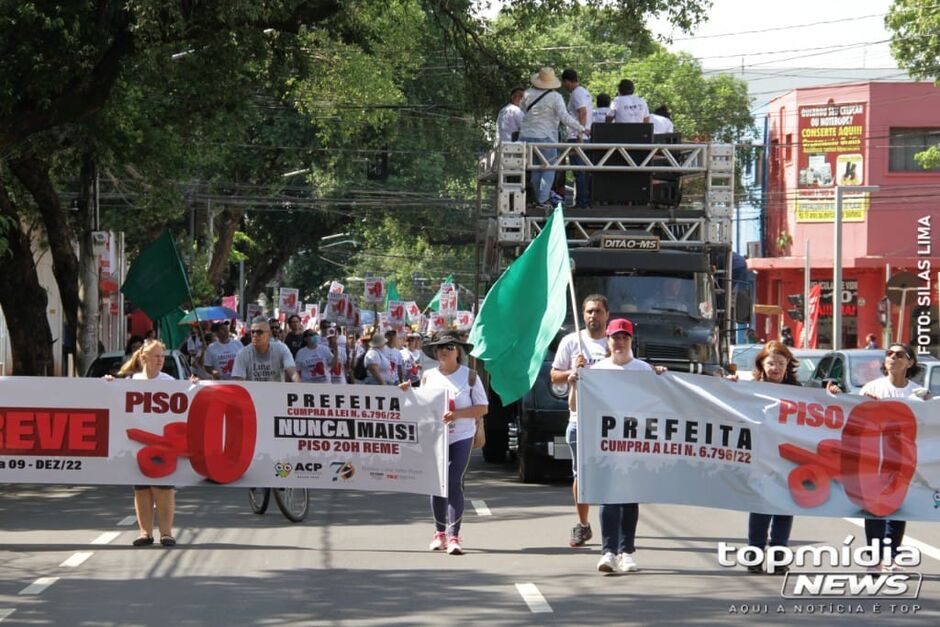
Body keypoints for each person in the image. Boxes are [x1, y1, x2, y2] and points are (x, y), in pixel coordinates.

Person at [567, 319, 665, 573]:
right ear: (607, 341)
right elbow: (574, 406)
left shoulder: (644, 370)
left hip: (634, 445)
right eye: (615, 338)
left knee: (629, 498)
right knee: (609, 498)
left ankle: (627, 551)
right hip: (605, 444)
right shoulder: (596, 369)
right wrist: (576, 379)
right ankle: (608, 551)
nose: (619, 342)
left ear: (632, 341)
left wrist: (664, 378)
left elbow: (662, 402)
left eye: (624, 337)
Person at [828, 343, 930, 571]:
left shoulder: (917, 392)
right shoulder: (871, 388)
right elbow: (850, 414)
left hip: (902, 460)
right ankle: (874, 559)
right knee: (874, 509)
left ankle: (891, 556)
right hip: (873, 459)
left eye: (899, 355)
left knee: (897, 507)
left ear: (910, 362)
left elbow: (928, 424)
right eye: (889, 354)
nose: (893, 358)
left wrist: (929, 404)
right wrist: (836, 395)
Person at [415, 332, 488, 555]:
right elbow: (420, 406)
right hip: (436, 437)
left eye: (449, 346)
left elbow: (483, 408)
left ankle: (454, 536)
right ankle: (439, 534)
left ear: (458, 351)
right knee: (436, 483)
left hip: (461, 436)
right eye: (439, 347)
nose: (444, 350)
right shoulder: (428, 376)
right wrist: (406, 392)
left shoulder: (470, 377)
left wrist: (456, 415)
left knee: (453, 481)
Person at [107, 341, 185, 547]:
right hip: (137, 443)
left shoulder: (169, 381)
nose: (160, 360)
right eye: (156, 356)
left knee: (163, 488)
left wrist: (194, 383)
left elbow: (187, 397)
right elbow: (111, 398)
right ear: (144, 358)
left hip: (162, 443)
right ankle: (145, 533)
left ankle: (166, 533)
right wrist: (108, 382)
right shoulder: (131, 380)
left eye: (162, 356)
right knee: (141, 489)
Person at [550, 294, 611, 547]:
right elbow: (554, 376)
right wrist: (572, 372)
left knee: (611, 474)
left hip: (609, 422)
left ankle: (613, 525)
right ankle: (583, 525)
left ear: (607, 314)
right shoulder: (571, 341)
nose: (592, 316)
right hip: (579, 419)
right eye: (588, 311)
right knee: (581, 475)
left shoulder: (614, 342)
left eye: (597, 311)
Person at [744, 341, 801, 574]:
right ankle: (755, 555)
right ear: (761, 365)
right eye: (770, 363)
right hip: (761, 456)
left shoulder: (801, 392)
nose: (775, 368)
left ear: (788, 364)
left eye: (780, 363)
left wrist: (833, 393)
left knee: (784, 508)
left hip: (789, 459)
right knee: (760, 507)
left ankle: (779, 556)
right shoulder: (749, 390)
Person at [518, 67, 586, 210]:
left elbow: (523, 110)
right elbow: (564, 117)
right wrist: (581, 128)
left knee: (535, 169)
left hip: (526, 137)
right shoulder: (555, 97)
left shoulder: (527, 94)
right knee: (549, 168)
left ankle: (538, 199)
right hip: (546, 137)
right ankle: (543, 200)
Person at [561, 68, 593, 209]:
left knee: (578, 170)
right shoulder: (584, 92)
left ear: (567, 81)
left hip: (577, 137)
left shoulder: (576, 94)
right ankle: (584, 200)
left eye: (564, 83)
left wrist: (579, 134)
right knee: (583, 171)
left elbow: (583, 113)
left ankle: (582, 203)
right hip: (585, 136)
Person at [231, 317, 299, 382]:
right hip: (252, 393)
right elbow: (238, 381)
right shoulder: (242, 353)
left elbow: (293, 372)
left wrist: (298, 388)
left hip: (277, 392)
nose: (255, 335)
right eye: (253, 332)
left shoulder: (281, 348)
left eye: (259, 332)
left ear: (269, 334)